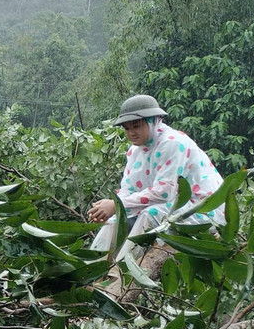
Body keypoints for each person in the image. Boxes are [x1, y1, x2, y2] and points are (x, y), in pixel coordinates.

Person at [88, 94, 225, 252]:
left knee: (150, 214)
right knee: (115, 219)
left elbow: (164, 193)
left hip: (203, 210)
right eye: (127, 128)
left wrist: (116, 205)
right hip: (172, 209)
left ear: (154, 121)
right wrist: (111, 208)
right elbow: (128, 190)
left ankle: (126, 269)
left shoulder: (172, 142)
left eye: (136, 126)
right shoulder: (134, 151)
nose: (131, 133)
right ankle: (97, 265)